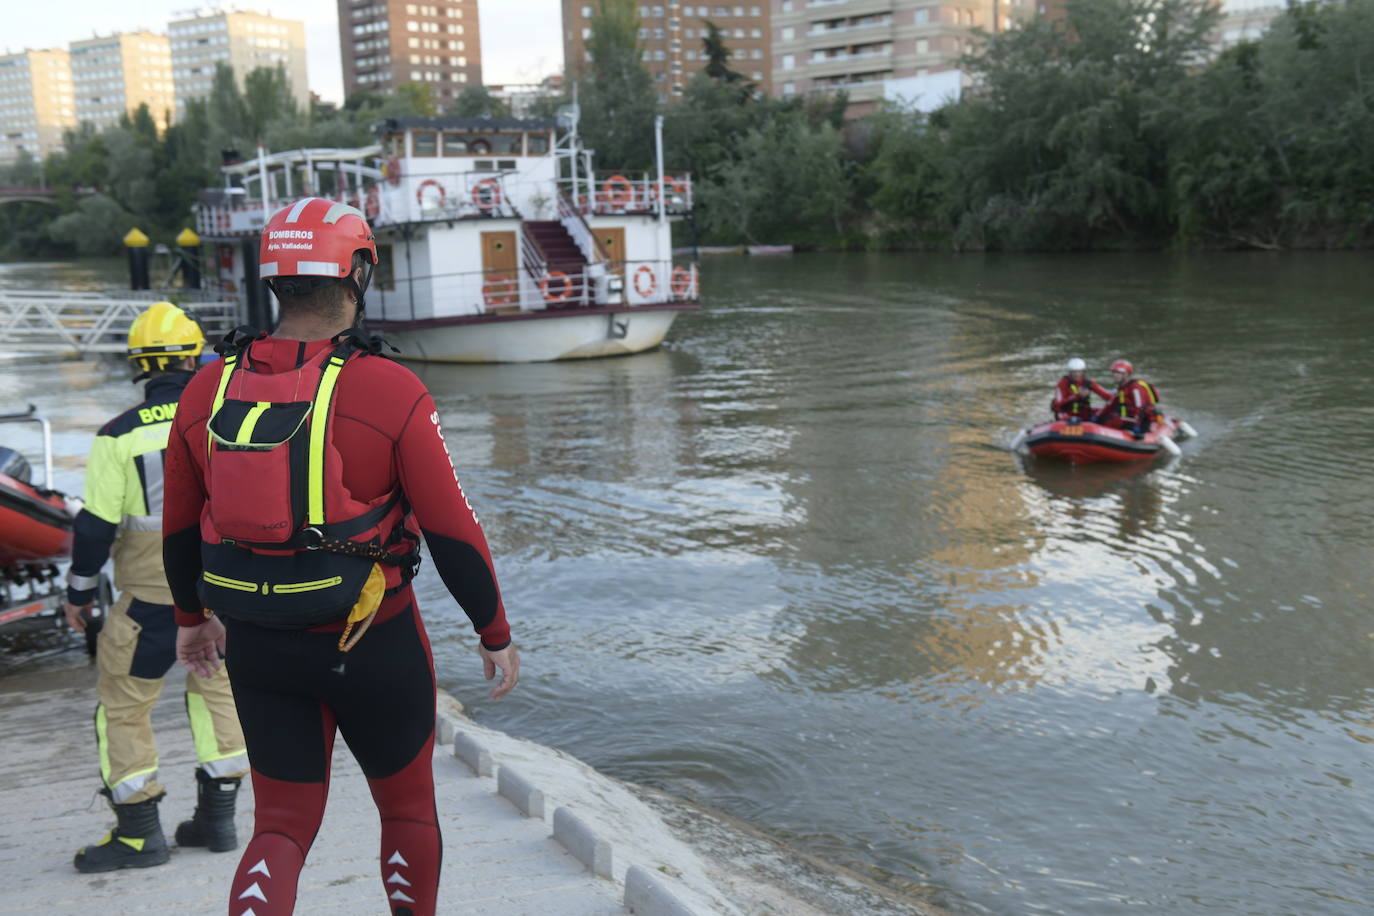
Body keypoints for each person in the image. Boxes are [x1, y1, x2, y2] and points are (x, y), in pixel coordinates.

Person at [161, 197, 520, 916]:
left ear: (273, 281)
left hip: (260, 647)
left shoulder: (208, 386)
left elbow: (176, 528)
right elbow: (453, 529)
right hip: (374, 639)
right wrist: (494, 632)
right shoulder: (389, 389)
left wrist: (191, 618)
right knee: (409, 811)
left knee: (282, 828)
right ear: (358, 272)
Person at [64, 301, 248, 873]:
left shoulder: (117, 436)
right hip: (222, 600)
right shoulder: (232, 418)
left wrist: (78, 594)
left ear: (138, 366)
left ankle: (140, 836)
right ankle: (218, 823)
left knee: (122, 709)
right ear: (196, 358)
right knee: (221, 701)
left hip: (147, 607)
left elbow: (95, 527)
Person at [1094, 359, 1161, 437]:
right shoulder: (1122, 389)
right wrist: (1096, 417)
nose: (1115, 375)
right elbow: (1111, 405)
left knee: (1112, 420)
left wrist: (1137, 426)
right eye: (1114, 373)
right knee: (1105, 418)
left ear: (1127, 374)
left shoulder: (1135, 388)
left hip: (1142, 422)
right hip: (1129, 419)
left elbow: (1139, 408)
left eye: (1119, 373)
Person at [1051, 357, 1112, 421]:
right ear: (1070, 372)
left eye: (1079, 371)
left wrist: (1116, 399)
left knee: (1106, 415)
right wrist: (1077, 396)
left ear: (1083, 372)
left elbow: (1106, 395)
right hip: (1066, 413)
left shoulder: (1088, 383)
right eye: (1074, 372)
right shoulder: (1063, 383)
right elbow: (1058, 404)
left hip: (1083, 413)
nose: (1077, 374)